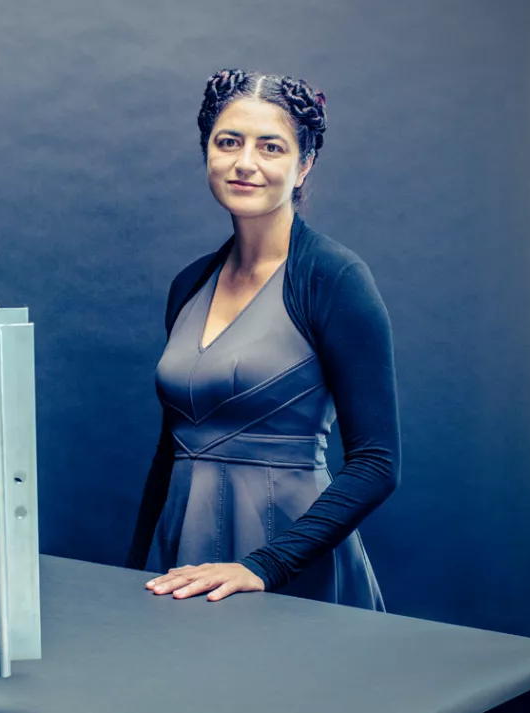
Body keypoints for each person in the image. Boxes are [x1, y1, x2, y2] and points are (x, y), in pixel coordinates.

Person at [124, 69, 401, 610]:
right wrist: (131, 569)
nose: (245, 162)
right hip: (183, 554)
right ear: (207, 151)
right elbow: (169, 449)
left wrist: (264, 566)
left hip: (292, 558)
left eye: (270, 146)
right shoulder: (190, 283)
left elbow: (377, 462)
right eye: (228, 142)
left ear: (305, 164)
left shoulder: (333, 277)